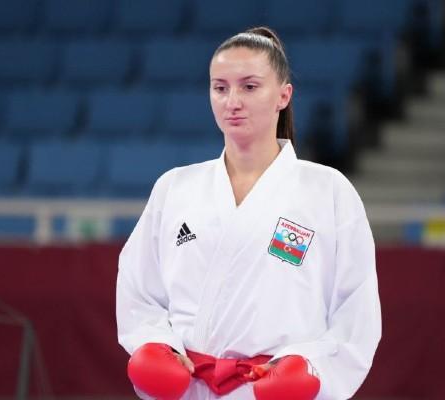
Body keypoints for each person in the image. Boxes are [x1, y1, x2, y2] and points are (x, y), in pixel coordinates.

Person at [116, 26, 381, 400]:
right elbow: (139, 289)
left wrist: (312, 369)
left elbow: (356, 310)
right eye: (220, 88)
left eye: (249, 87)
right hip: (190, 388)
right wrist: (155, 344)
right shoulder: (175, 187)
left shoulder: (328, 191)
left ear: (283, 95)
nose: (232, 101)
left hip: (276, 390)